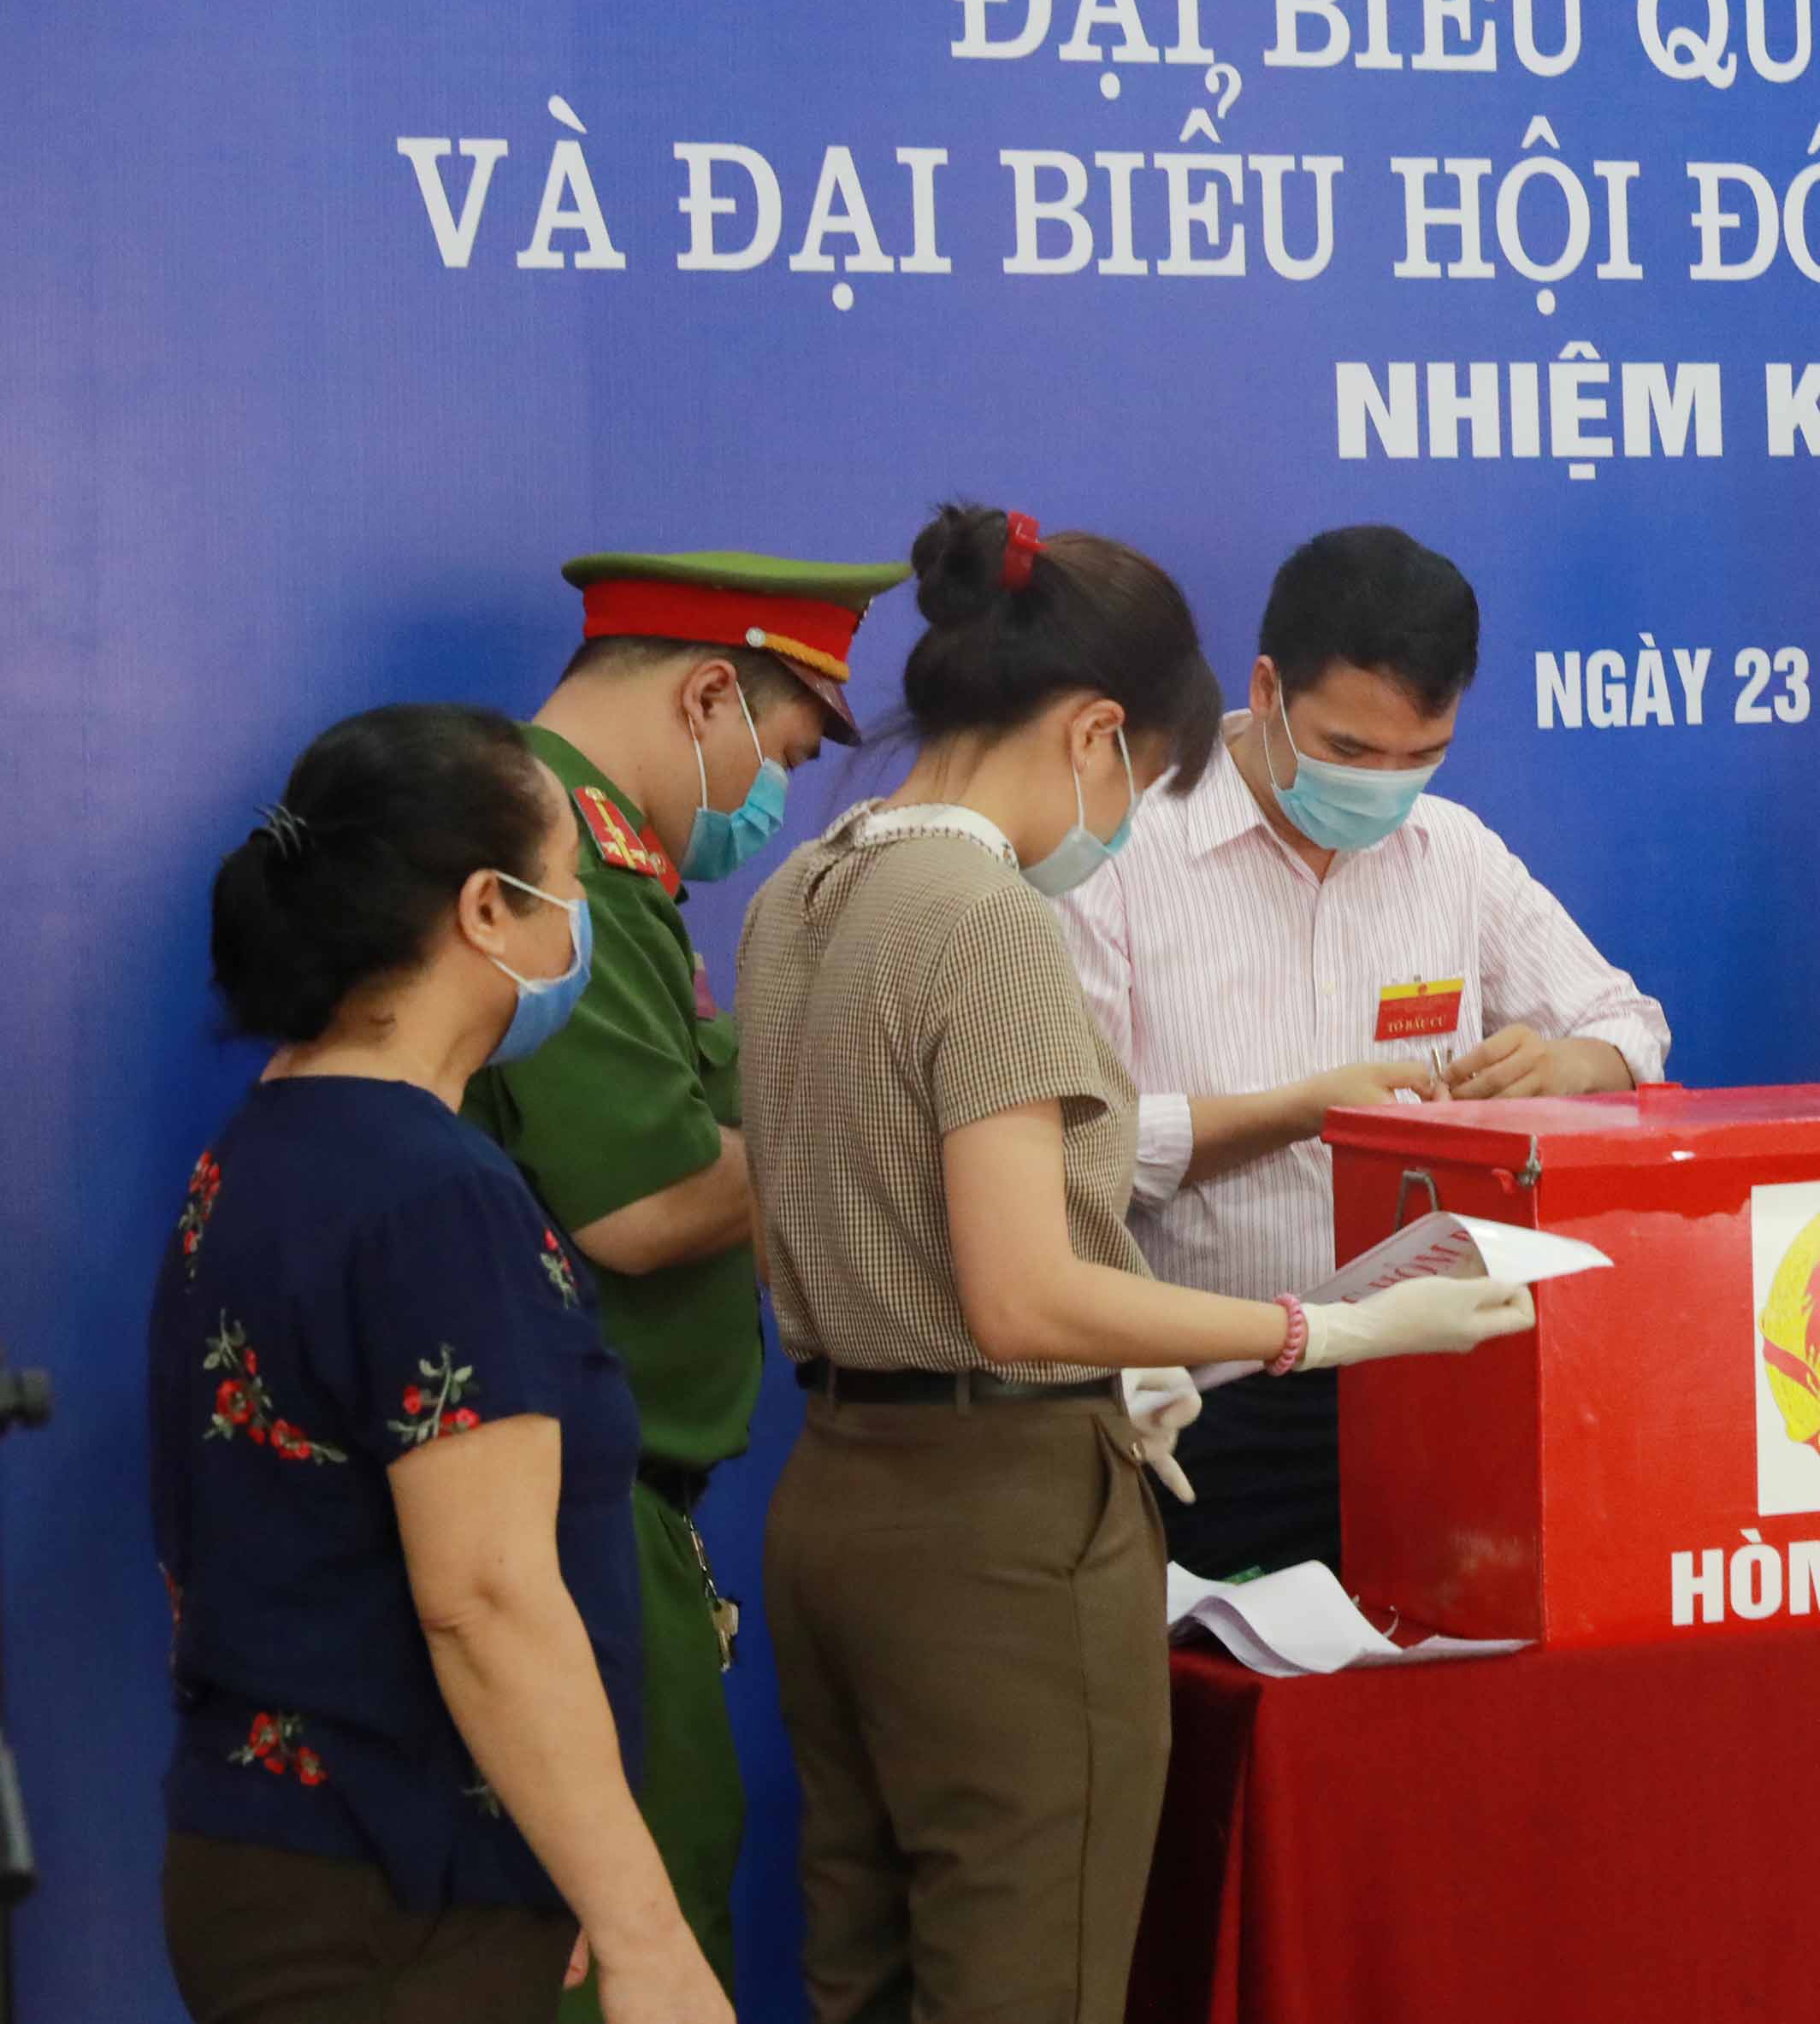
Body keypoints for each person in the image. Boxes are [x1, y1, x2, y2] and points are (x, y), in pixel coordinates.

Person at [737, 504, 1535, 2024]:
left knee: (867, 1976)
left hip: (834, 1500)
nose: (1126, 823)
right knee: (1028, 1982)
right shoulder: (988, 918)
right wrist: (1325, 1331)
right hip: (1002, 1525)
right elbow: (1023, 1293)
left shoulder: (801, 891)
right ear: (1098, 734)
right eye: (1148, 777)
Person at [154, 702, 726, 2024]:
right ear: (487, 911)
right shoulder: (436, 1196)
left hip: (276, 1856)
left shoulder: (261, 1147)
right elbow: (485, 1596)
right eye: (569, 889)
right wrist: (643, 1930)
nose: (578, 931)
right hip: (395, 1890)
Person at [463, 546, 903, 2008]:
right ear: (709, 693)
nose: (774, 797)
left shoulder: (615, 866)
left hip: (612, 1499)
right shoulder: (554, 858)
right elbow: (646, 1204)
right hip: (570, 1504)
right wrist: (890, 1127)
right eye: (784, 752)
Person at [1060, 522, 1669, 1578]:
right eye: (1348, 752)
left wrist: (1566, 1067)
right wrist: (1300, 1113)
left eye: (1419, 758)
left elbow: (1631, 1027)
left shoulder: (1453, 853)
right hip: (1214, 1400)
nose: (1383, 787)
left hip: (1442, 1379)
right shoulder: (1124, 853)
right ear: (1266, 689)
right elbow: (1081, 1154)